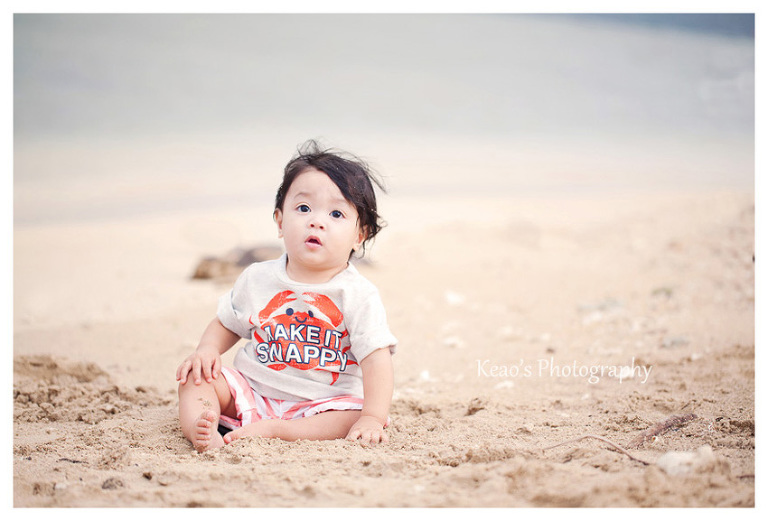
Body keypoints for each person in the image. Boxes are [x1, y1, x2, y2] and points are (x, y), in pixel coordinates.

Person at [176, 141, 397, 452]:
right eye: (303, 208)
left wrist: (373, 417)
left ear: (358, 237)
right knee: (194, 379)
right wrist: (207, 349)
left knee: (356, 414)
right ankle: (205, 426)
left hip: (321, 405)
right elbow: (227, 323)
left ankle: (280, 430)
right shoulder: (257, 278)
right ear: (280, 221)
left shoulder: (358, 294)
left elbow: (377, 360)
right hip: (252, 390)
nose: (316, 221)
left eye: (336, 213)